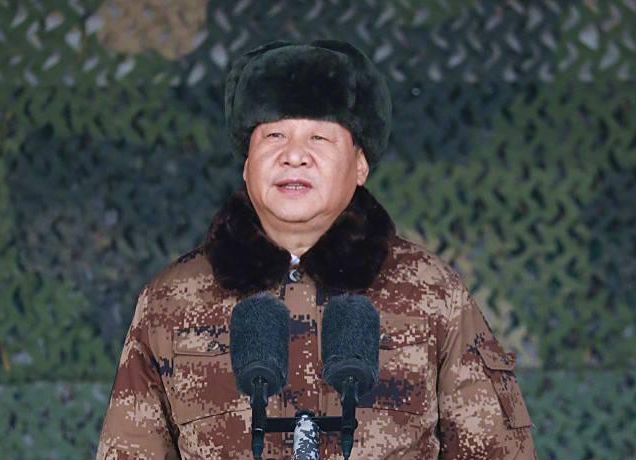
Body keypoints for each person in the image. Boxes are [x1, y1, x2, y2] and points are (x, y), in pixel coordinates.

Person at [96, 40, 537, 460]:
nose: (294, 156)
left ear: (360, 164)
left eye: (319, 139)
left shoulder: (433, 294)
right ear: (247, 164)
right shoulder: (171, 301)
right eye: (274, 136)